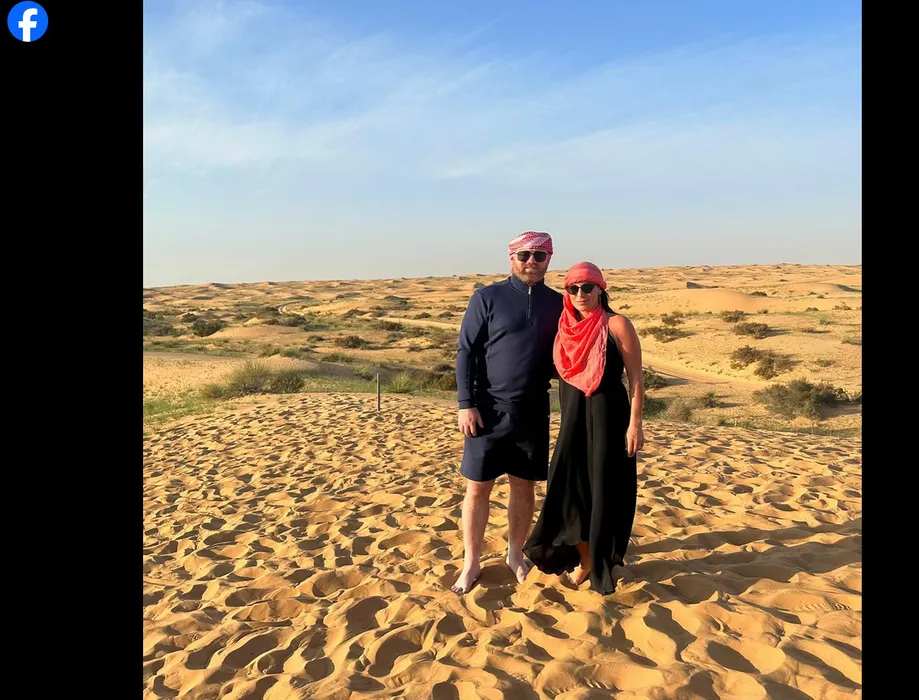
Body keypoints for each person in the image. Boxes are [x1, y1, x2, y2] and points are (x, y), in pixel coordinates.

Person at [451, 231, 564, 595]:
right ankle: (471, 563)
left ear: (549, 259)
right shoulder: (487, 297)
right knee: (477, 488)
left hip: (533, 410)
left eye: (540, 256)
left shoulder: (559, 303)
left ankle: (515, 555)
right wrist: (466, 404)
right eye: (525, 255)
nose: (532, 262)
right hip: (487, 411)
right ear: (512, 257)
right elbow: (466, 352)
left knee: (523, 486)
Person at [523, 261, 645, 595]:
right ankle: (586, 557)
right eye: (573, 288)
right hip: (573, 420)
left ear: (600, 289)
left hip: (609, 418)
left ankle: (601, 561)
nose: (580, 294)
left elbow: (636, 378)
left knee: (604, 490)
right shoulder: (564, 327)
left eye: (587, 287)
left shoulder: (617, 324)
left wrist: (635, 424)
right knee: (568, 488)